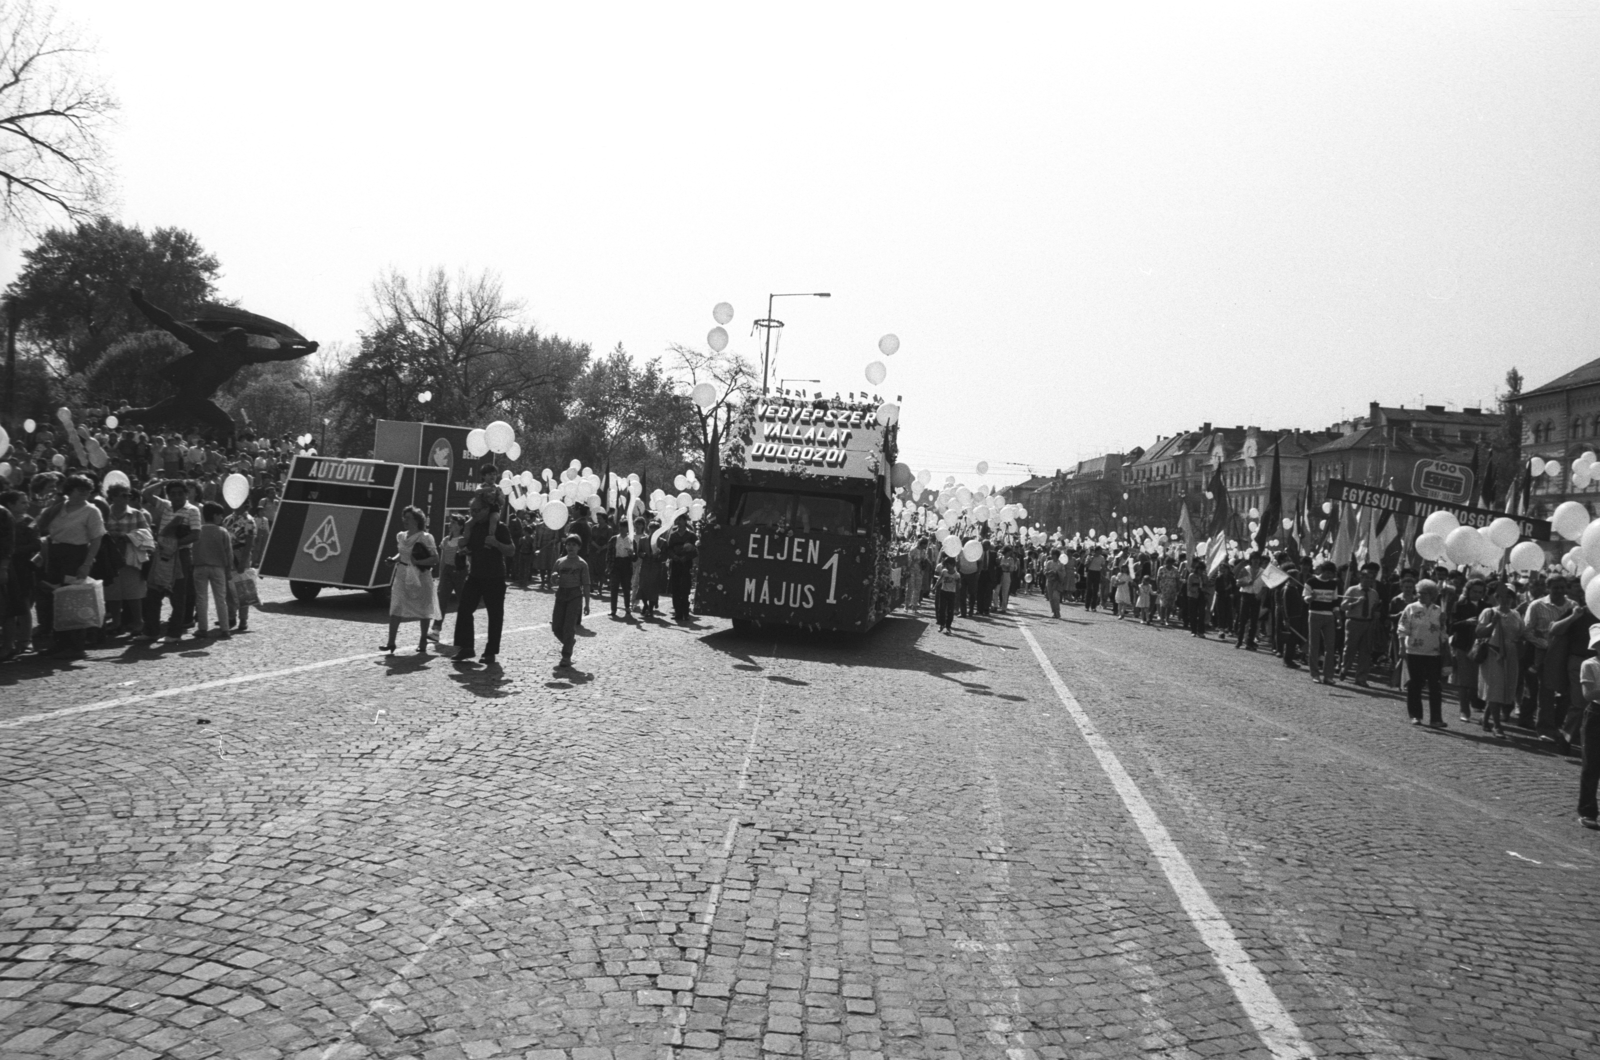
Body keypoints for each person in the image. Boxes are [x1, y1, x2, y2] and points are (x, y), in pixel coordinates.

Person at [35, 474, 106, 657]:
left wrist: (86, 564)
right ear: (70, 490)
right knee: (56, 598)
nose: (85, 494)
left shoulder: (91, 511)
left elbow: (97, 539)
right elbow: (41, 525)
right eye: (80, 490)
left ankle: (76, 646)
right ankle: (59, 643)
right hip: (55, 554)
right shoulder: (58, 507)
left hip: (76, 555)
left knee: (74, 599)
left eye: (88, 491)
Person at [453, 496, 514, 666]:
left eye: (476, 510)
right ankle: (466, 647)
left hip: (495, 576)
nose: (472, 514)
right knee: (464, 609)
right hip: (475, 575)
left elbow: (511, 551)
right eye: (470, 511)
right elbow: (473, 548)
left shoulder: (500, 528)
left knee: (494, 615)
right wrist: (466, 551)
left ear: (487, 509)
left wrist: (496, 543)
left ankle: (490, 651)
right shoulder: (474, 528)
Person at [382, 506, 438, 654]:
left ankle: (423, 640)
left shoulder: (425, 537)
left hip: (420, 576)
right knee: (396, 605)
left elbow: (435, 558)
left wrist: (417, 562)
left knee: (424, 607)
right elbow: (402, 553)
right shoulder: (401, 536)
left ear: (417, 520)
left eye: (408, 518)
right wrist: (393, 560)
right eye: (404, 517)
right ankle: (391, 642)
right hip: (402, 574)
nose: (405, 521)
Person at [101, 482, 152, 637]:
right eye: (123, 495)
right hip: (110, 558)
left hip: (131, 558)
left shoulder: (137, 513)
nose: (127, 498)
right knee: (113, 593)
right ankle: (116, 623)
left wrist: (127, 536)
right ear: (112, 497)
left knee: (134, 593)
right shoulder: (103, 513)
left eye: (128, 495)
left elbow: (147, 534)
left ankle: (138, 622)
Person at [1477, 581, 1526, 736]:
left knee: (1505, 689)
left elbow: (1522, 633)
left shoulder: (1516, 614)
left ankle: (1486, 718)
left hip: (1511, 654)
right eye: (1501, 596)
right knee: (1495, 688)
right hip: (1494, 654)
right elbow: (1479, 632)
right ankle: (1497, 725)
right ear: (1496, 597)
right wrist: (1493, 624)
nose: (1505, 599)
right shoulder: (1489, 612)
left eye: (1509, 596)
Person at [1397, 577, 1447, 727]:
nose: (1420, 595)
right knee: (1415, 685)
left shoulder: (1439, 610)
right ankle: (1415, 715)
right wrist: (1402, 647)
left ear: (1432, 594)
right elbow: (1402, 628)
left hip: (1433, 653)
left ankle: (1436, 719)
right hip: (1414, 651)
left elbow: (1443, 633)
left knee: (1435, 687)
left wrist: (1444, 622)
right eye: (1419, 592)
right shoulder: (1411, 608)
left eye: (1424, 593)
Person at [1448, 577, 1488, 721]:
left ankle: (1477, 705)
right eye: (1474, 591)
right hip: (1463, 646)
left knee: (1477, 681)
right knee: (1464, 681)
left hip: (1481, 648)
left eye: (1480, 592)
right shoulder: (1459, 605)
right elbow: (1450, 626)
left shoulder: (1487, 607)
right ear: (1468, 590)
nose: (1476, 594)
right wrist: (1466, 622)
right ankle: (1464, 711)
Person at [192, 502, 233, 640]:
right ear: (215, 516)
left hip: (199, 567)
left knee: (201, 598)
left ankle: (202, 628)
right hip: (218, 568)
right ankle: (225, 629)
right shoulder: (222, 531)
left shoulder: (198, 530)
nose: (221, 518)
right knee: (221, 598)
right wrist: (228, 569)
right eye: (220, 515)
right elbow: (228, 553)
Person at [551, 533, 591, 668]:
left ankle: (566, 656)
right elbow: (553, 579)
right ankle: (569, 642)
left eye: (574, 545)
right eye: (568, 544)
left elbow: (586, 584)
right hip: (561, 594)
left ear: (579, 547)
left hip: (575, 595)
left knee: (569, 626)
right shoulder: (560, 561)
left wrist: (587, 604)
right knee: (556, 627)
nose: (570, 547)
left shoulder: (582, 564)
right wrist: (554, 577)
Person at [1576, 624, 1600, 829]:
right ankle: (1587, 810)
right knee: (1591, 765)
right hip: (1595, 715)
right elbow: (1588, 694)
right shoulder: (1589, 665)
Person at [1303, 560, 1340, 684]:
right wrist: (1310, 597)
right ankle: (1315, 674)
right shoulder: (1311, 582)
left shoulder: (1333, 584)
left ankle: (1328, 676)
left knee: (1330, 646)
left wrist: (1338, 616)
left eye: (1332, 573)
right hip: (1314, 615)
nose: (1330, 576)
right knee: (1314, 645)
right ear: (1323, 571)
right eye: (1328, 573)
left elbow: (1335, 602)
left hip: (1329, 617)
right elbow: (1306, 599)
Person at [665, 514, 698, 624]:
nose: (678, 522)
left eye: (680, 519)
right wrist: (674, 556)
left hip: (686, 564)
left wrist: (686, 557)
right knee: (676, 588)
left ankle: (685, 612)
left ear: (685, 521)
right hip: (675, 563)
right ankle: (678, 612)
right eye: (677, 519)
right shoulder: (673, 535)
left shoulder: (691, 535)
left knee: (685, 588)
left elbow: (696, 550)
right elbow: (668, 548)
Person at [606, 519, 638, 618]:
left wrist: (631, 554)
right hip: (616, 563)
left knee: (626, 587)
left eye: (624, 526)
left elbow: (635, 557)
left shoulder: (631, 540)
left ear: (627, 528)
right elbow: (609, 553)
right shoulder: (614, 539)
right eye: (620, 526)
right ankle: (613, 609)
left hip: (626, 564)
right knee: (614, 587)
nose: (621, 528)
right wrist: (608, 566)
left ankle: (627, 607)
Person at [935, 554, 960, 633]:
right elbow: (940, 579)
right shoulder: (944, 572)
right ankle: (942, 624)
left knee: (950, 610)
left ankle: (948, 626)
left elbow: (959, 585)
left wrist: (958, 583)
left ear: (953, 565)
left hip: (951, 593)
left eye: (948, 565)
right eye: (945, 565)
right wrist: (935, 586)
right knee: (941, 609)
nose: (946, 566)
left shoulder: (956, 575)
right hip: (943, 592)